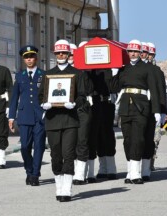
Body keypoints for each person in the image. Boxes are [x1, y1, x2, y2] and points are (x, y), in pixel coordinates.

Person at [38, 39, 87, 202]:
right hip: (52, 120)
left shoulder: (77, 73)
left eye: (64, 53)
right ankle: (59, 185)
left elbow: (82, 96)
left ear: (68, 54)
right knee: (56, 155)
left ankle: (67, 188)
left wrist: (74, 103)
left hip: (70, 120)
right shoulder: (47, 74)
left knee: (68, 153)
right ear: (55, 54)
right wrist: (43, 104)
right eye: (58, 53)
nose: (61, 55)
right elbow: (40, 95)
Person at [110, 39, 160, 184]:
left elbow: (154, 90)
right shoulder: (123, 69)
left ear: (140, 53)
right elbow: (113, 88)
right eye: (130, 51)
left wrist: (157, 110)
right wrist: (114, 72)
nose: (133, 54)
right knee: (128, 140)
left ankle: (136, 173)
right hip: (125, 106)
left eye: (136, 51)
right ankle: (130, 171)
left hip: (141, 106)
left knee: (138, 139)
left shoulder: (147, 69)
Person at [9, 45, 46, 186]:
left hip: (40, 117)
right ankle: (29, 170)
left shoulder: (43, 75)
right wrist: (11, 117)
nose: (29, 59)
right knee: (25, 146)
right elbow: (14, 98)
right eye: (26, 57)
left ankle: (35, 174)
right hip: (24, 116)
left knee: (39, 147)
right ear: (24, 60)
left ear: (36, 58)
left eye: (31, 56)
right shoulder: (20, 76)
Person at [68, 42, 95, 185]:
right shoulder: (62, 71)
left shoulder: (83, 72)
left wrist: (86, 70)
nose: (70, 57)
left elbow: (89, 89)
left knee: (82, 141)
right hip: (66, 112)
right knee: (69, 143)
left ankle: (80, 174)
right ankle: (71, 171)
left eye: (73, 55)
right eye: (69, 55)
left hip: (82, 110)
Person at [88, 67, 118, 181]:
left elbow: (113, 87)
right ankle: (102, 167)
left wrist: (114, 72)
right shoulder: (89, 69)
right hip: (93, 103)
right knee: (96, 134)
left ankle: (111, 167)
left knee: (107, 134)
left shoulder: (109, 69)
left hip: (106, 103)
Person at [144, 42, 167, 174]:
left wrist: (163, 111)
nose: (149, 57)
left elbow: (162, 92)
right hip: (143, 107)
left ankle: (150, 162)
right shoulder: (141, 68)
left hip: (156, 109)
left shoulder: (158, 71)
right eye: (148, 54)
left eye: (151, 54)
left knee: (155, 139)